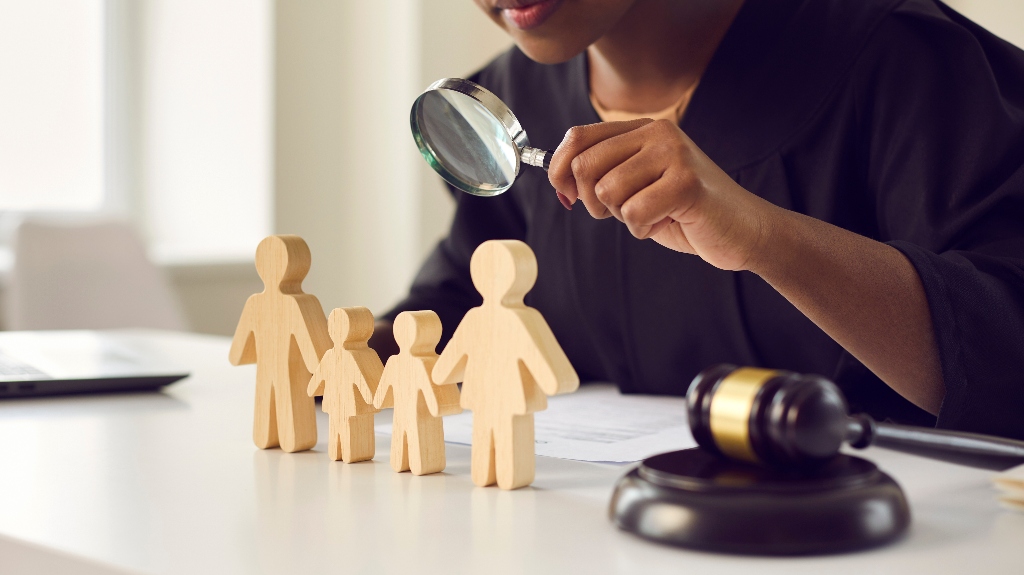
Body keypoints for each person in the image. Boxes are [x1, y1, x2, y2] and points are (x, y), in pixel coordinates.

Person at [371, 0, 1024, 440]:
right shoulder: (510, 107)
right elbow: (461, 310)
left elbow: (1004, 349)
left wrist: (759, 234)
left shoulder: (904, 57)